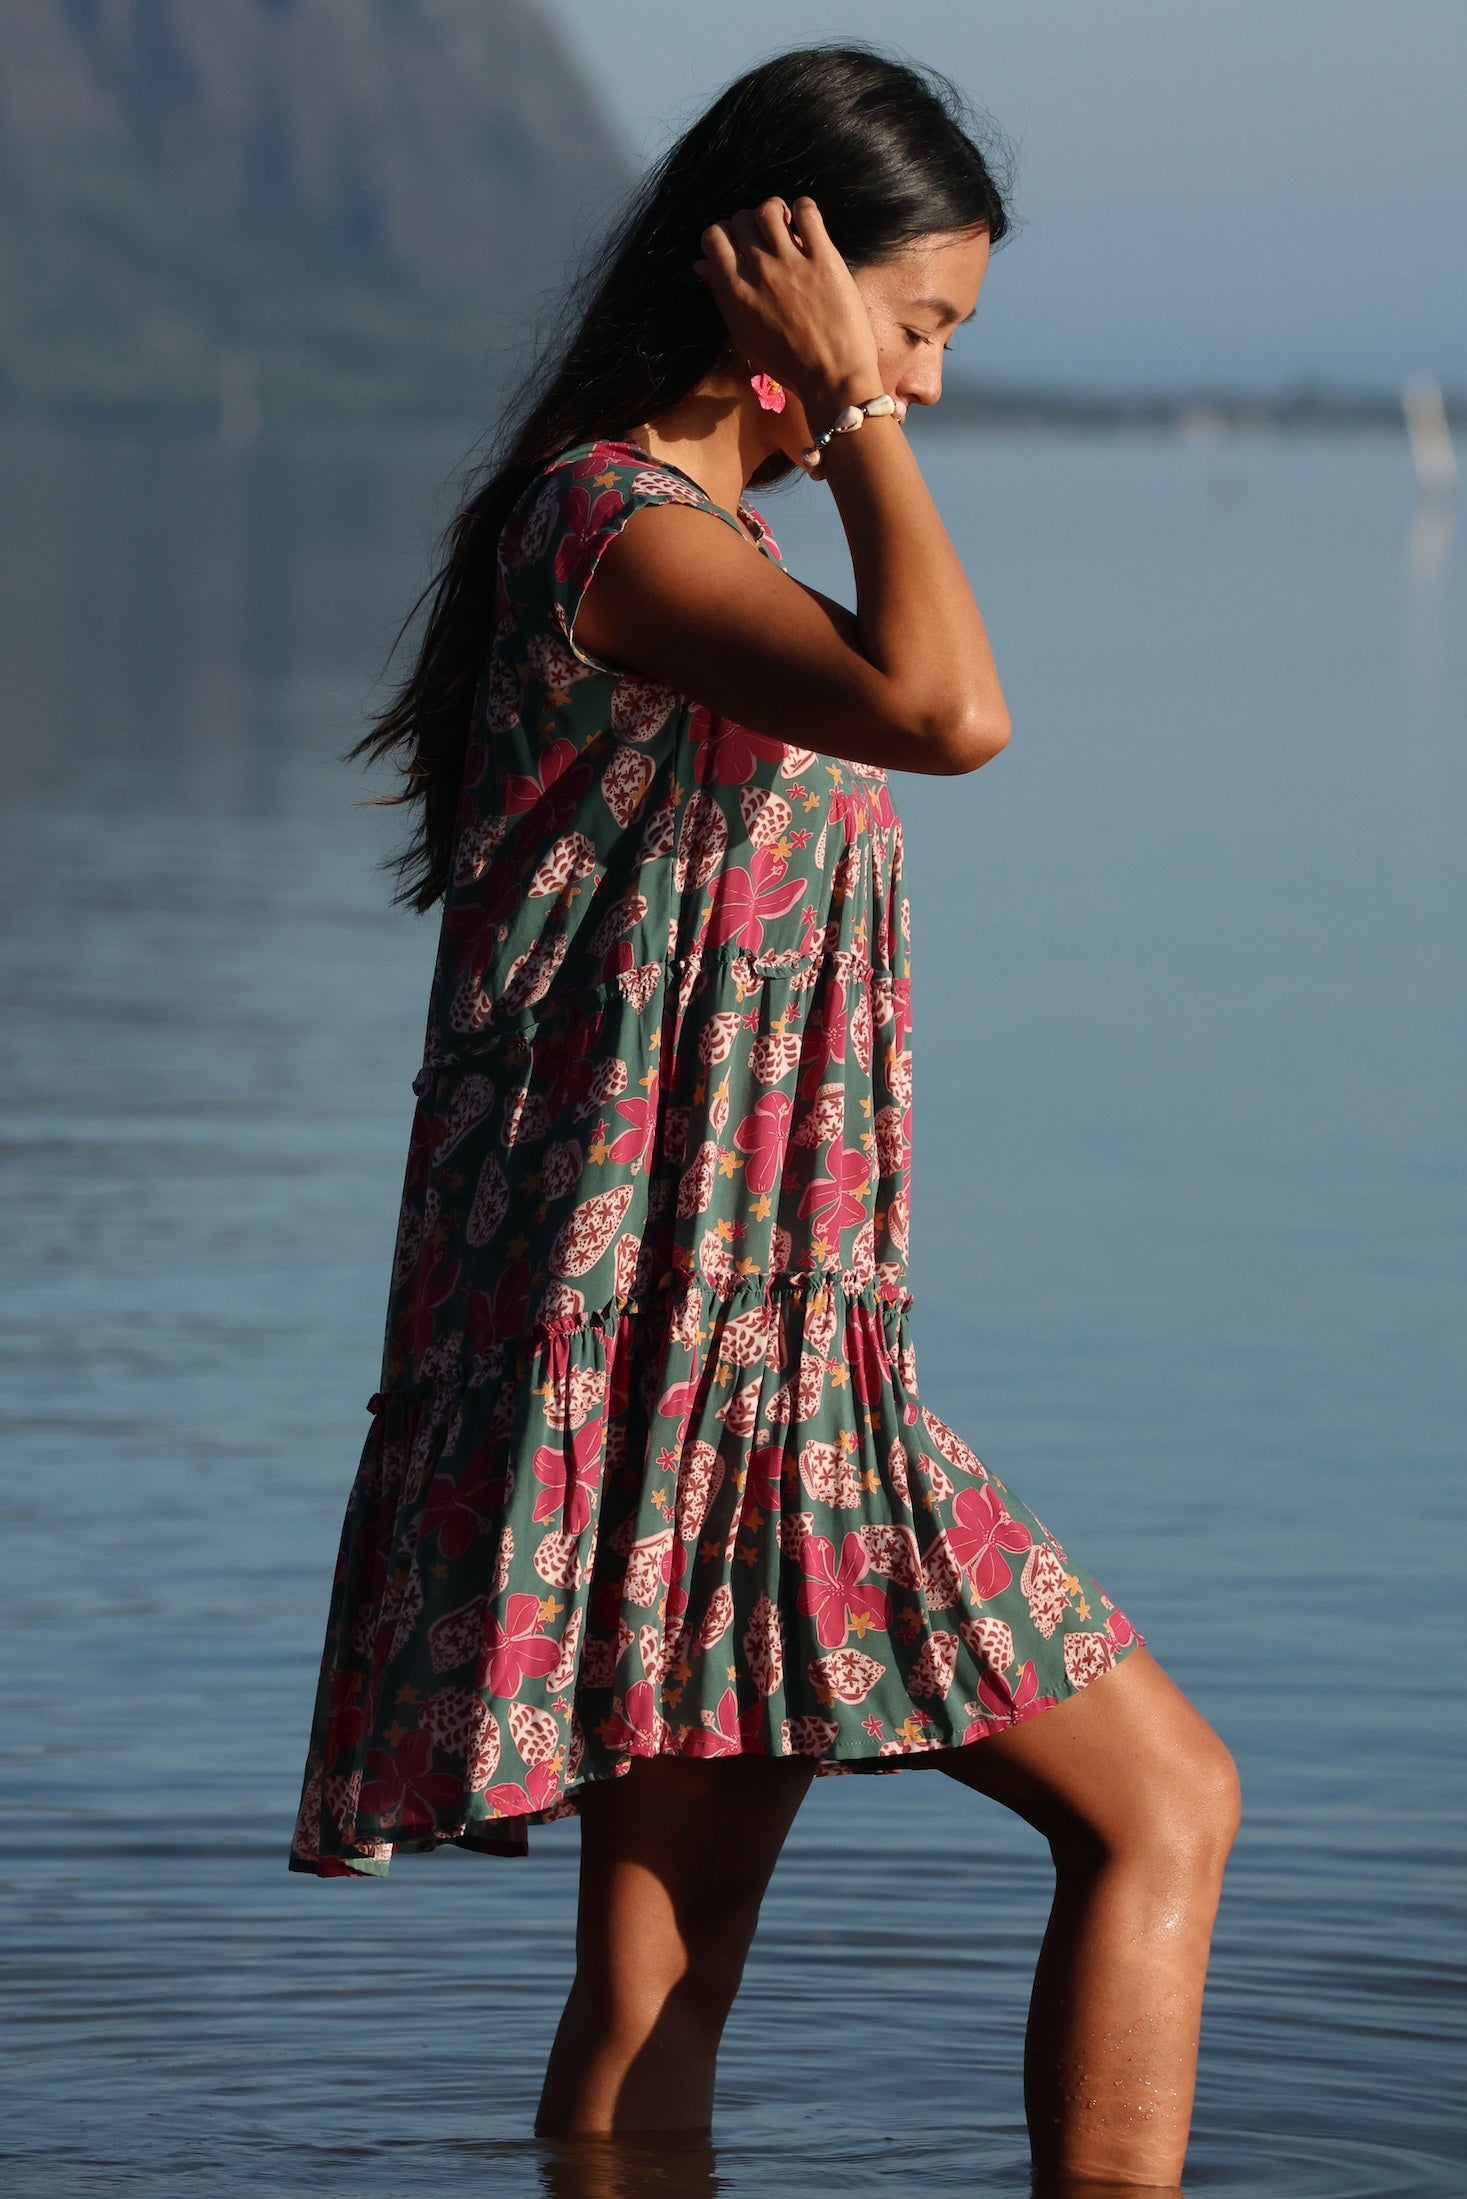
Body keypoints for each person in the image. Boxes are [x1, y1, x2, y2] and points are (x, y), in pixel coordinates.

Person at [290, 45, 1239, 2191]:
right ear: (781, 280)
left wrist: (864, 398)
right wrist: (870, 413)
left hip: (759, 1361)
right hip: (686, 1363)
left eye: (938, 342)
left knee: (664, 1978)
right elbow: (948, 712)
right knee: (1158, 1799)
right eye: (915, 322)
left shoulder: (690, 545)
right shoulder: (611, 533)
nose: (924, 373)